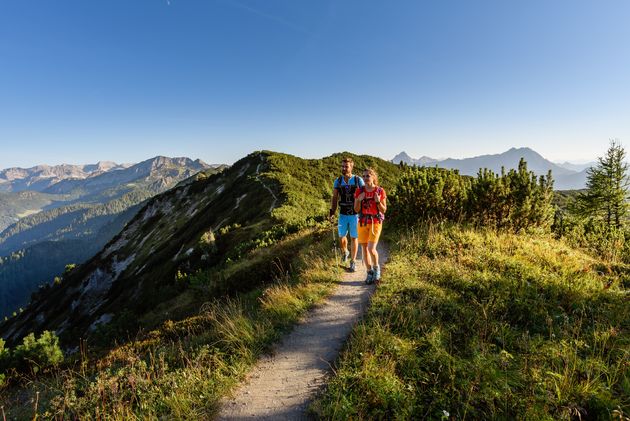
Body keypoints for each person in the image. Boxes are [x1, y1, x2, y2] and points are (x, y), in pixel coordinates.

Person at [330, 157, 365, 272]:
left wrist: (364, 212)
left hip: (355, 214)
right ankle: (345, 252)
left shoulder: (358, 180)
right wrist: (332, 211)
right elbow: (335, 197)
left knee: (354, 237)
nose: (344, 168)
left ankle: (353, 261)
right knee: (342, 236)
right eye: (342, 166)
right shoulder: (338, 181)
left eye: (346, 166)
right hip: (343, 213)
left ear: (351, 167)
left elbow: (365, 195)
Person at [354, 167, 387, 284]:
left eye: (368, 176)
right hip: (362, 222)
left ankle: (376, 269)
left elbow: (383, 210)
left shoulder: (380, 191)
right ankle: (369, 272)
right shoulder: (359, 191)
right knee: (364, 249)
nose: (365, 178)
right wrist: (358, 200)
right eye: (364, 176)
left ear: (373, 177)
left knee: (371, 248)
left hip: (375, 222)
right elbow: (356, 209)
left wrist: (377, 201)